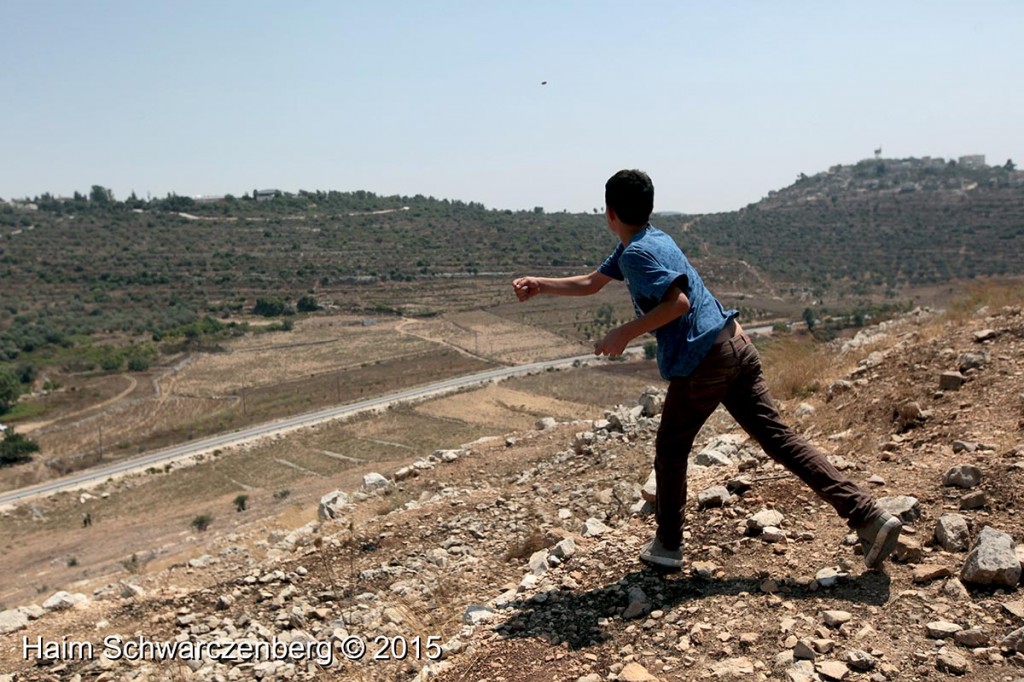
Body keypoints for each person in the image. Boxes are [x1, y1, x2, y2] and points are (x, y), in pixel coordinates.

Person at [512, 169, 902, 570]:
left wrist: (623, 334)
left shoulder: (637, 253)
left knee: (670, 450)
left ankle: (666, 545)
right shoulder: (649, 239)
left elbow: (677, 304)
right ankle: (869, 516)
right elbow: (593, 282)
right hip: (736, 345)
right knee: (780, 440)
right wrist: (541, 284)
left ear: (608, 212)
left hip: (704, 362)